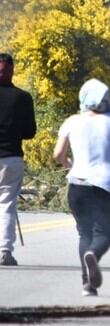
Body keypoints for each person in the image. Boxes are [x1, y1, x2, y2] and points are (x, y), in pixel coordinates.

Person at [53, 79, 110, 296]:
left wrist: (69, 164)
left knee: (84, 233)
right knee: (104, 234)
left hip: (77, 185)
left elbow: (57, 154)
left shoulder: (71, 122)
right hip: (106, 186)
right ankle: (93, 255)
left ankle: (87, 285)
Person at [0, 53, 36, 266]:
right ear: (12, 70)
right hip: (11, 158)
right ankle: (4, 251)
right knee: (6, 205)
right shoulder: (22, 98)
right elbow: (30, 132)